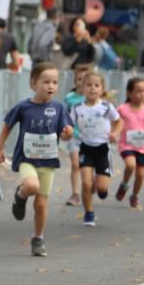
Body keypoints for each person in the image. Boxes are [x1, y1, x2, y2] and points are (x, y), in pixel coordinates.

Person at [0, 62, 74, 257]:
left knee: (40, 205)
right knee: (31, 186)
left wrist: (67, 133)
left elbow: (64, 135)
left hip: (48, 162)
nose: (51, 86)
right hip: (27, 159)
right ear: (33, 84)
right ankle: (20, 197)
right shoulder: (24, 107)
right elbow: (7, 125)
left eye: (55, 82)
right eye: (46, 82)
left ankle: (38, 238)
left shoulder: (58, 108)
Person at [71, 72, 121, 227]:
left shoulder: (106, 107)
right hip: (85, 148)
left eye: (96, 85)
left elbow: (119, 121)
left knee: (101, 189)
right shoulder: (77, 108)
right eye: (88, 85)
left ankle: (99, 186)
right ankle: (89, 213)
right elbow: (68, 125)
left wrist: (115, 133)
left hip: (102, 149)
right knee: (86, 183)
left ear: (102, 89)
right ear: (82, 88)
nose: (92, 88)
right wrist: (66, 133)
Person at [115, 77, 144, 211]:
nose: (142, 94)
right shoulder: (122, 109)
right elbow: (115, 122)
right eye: (138, 91)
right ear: (129, 93)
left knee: (140, 175)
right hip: (127, 144)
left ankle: (134, 195)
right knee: (130, 164)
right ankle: (125, 184)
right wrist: (113, 133)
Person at [63, 64, 92, 207]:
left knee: (89, 166)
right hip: (74, 135)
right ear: (75, 81)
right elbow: (64, 114)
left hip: (92, 138)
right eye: (79, 79)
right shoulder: (70, 98)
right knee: (76, 164)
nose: (82, 82)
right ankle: (75, 193)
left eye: (86, 79)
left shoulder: (94, 98)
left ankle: (88, 186)